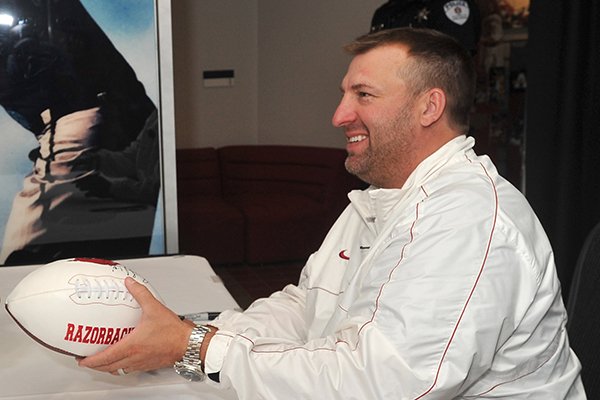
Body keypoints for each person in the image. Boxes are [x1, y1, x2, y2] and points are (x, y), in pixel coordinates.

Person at [79, 28, 585, 399]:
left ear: (430, 107)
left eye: (363, 95)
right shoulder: (382, 198)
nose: (339, 115)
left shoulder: (470, 219)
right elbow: (307, 307)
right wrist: (190, 340)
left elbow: (389, 384)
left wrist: (199, 349)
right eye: (345, 94)